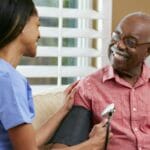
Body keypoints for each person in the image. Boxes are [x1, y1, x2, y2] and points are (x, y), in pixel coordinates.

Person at [0, 0, 109, 150]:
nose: (39, 34)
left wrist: (63, 110)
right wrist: (91, 145)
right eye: (37, 25)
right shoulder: (9, 81)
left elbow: (29, 143)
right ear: (21, 25)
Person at [51, 11, 150, 150]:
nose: (119, 45)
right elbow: (61, 148)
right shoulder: (89, 88)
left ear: (148, 50)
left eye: (130, 42)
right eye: (116, 36)